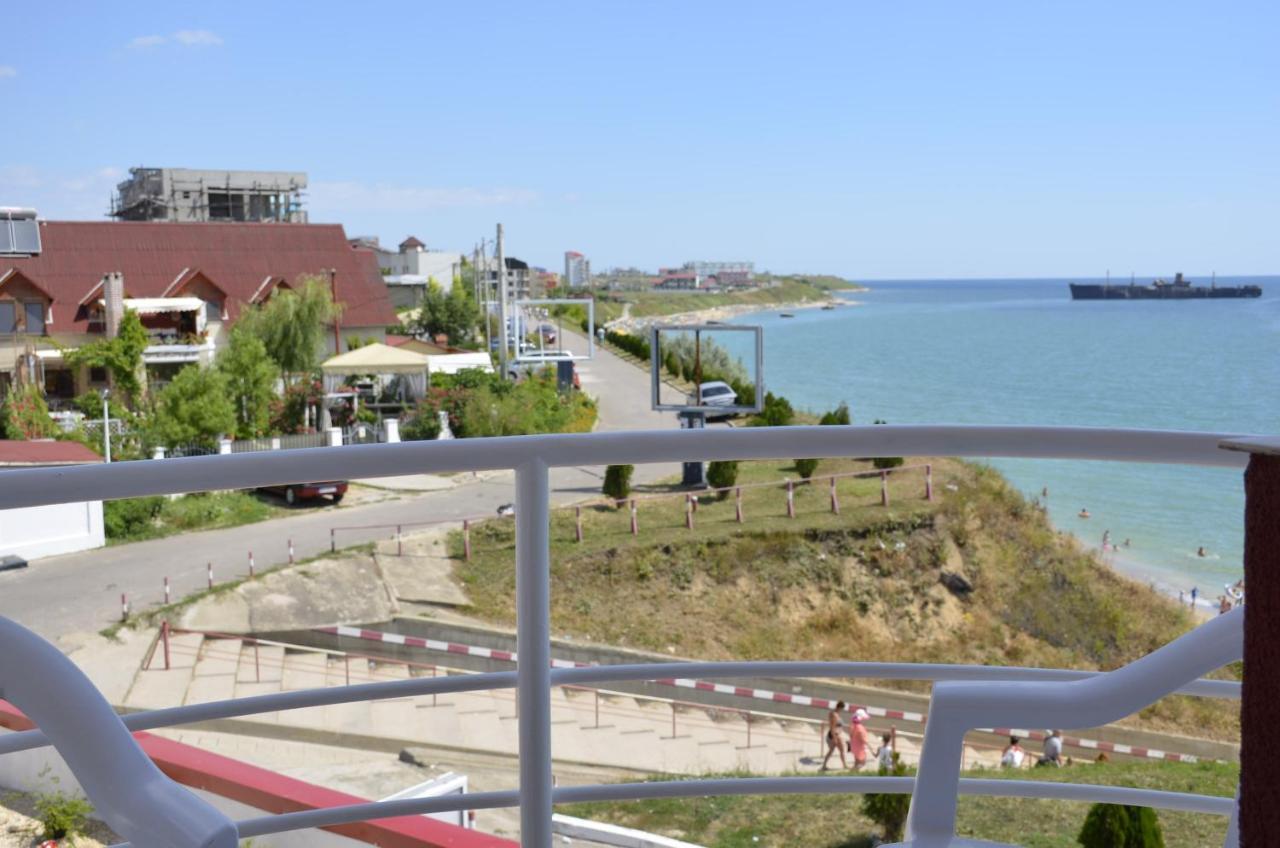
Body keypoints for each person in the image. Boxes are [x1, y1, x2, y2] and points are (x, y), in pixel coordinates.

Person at [821, 701, 847, 771]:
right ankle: (844, 766)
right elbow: (832, 727)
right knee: (841, 750)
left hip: (834, 734)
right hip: (835, 735)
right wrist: (835, 738)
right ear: (841, 707)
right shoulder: (835, 715)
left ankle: (824, 766)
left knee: (832, 751)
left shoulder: (833, 713)